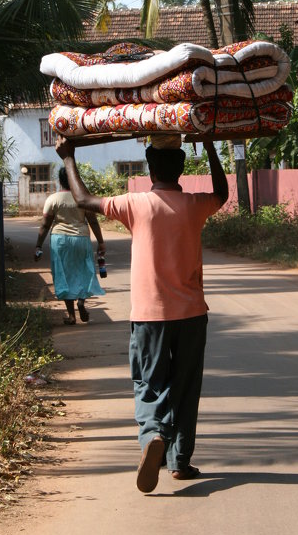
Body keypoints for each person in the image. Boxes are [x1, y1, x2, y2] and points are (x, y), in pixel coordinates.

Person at [55, 133, 228, 493]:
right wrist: (211, 146)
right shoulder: (195, 205)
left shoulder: (135, 205)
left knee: (150, 382)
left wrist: (68, 156)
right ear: (182, 169)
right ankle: (179, 462)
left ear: (150, 168)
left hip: (150, 317)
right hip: (192, 314)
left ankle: (153, 435)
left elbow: (84, 199)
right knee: (185, 386)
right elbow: (223, 194)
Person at [34, 166, 106, 324]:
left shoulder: (53, 199)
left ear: (60, 181)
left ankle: (71, 316)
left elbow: (45, 225)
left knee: (63, 274)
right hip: (81, 238)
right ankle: (81, 301)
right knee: (83, 271)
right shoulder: (83, 199)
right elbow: (93, 221)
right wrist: (100, 242)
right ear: (76, 179)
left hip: (60, 240)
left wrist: (38, 246)